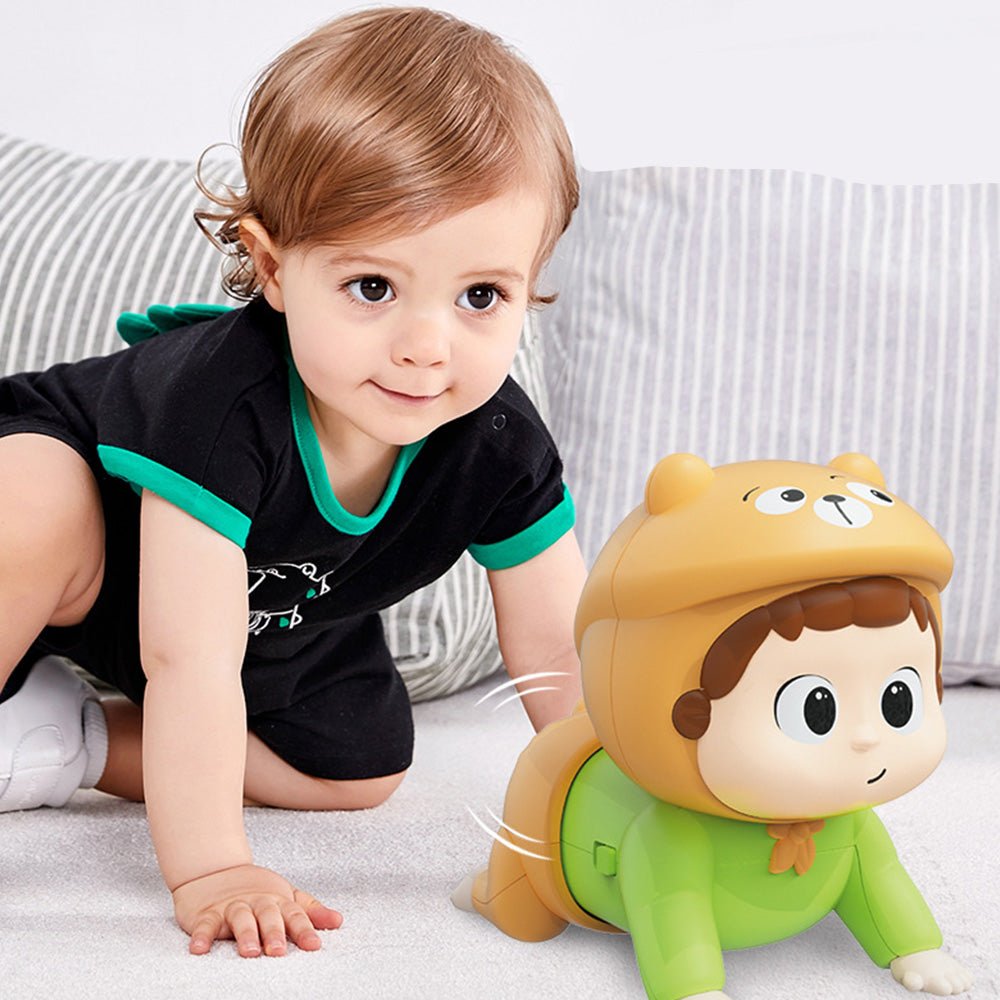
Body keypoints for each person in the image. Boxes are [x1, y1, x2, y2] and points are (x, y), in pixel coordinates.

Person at [0, 6, 585, 959]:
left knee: (361, 768)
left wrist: (623, 798)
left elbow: (559, 644)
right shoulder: (220, 405)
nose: (427, 347)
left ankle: (63, 742)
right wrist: (214, 867)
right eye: (373, 287)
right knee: (25, 499)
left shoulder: (499, 444)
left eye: (482, 295)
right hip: (93, 539)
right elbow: (188, 660)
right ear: (274, 269)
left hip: (276, 606)